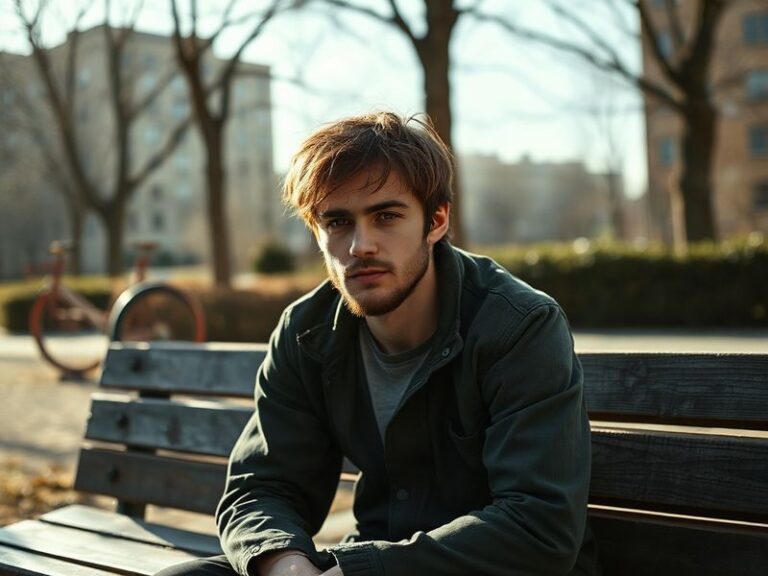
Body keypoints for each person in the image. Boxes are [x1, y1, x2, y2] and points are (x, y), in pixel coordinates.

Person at [156, 111, 599, 576]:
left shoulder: (518, 326)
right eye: (338, 222)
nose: (360, 245)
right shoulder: (306, 332)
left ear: (437, 220)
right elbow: (262, 488)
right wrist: (286, 566)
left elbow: (539, 526)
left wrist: (356, 572)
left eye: (386, 216)